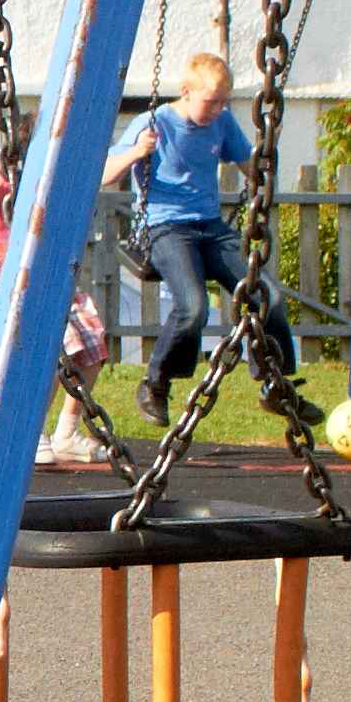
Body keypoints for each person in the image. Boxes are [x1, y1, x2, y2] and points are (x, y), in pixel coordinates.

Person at [101, 49, 288, 422]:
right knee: (194, 307)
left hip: (210, 227)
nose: (217, 109)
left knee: (268, 295)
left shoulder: (221, 123)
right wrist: (138, 152)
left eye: (223, 102)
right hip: (165, 227)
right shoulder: (153, 122)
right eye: (211, 101)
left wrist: (265, 154)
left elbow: (249, 166)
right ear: (186, 91)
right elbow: (106, 174)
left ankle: (274, 384)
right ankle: (156, 383)